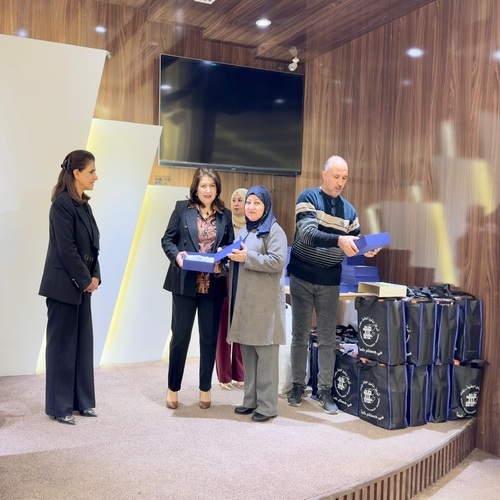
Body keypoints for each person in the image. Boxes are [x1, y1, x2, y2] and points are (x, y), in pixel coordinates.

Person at [286, 155, 380, 414]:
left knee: (328, 338)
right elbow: (307, 234)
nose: (340, 182)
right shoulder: (308, 198)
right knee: (300, 335)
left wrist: (366, 248)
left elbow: (353, 243)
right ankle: (297, 386)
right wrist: (340, 240)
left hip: (329, 280)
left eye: (344, 178)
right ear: (324, 174)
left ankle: (324, 390)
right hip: (302, 277)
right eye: (336, 176)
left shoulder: (350, 211)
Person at [161, 167, 234, 410]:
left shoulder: (225, 215)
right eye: (204, 186)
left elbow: (229, 247)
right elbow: (167, 239)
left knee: (209, 339)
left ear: (217, 189)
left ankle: (205, 388)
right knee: (180, 338)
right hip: (185, 283)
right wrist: (177, 256)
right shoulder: (182, 209)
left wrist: (223, 258)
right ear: (196, 188)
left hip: (213, 284)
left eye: (212, 186)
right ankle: (173, 388)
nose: (208, 190)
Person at [39, 150, 101, 425]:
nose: (95, 177)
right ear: (76, 173)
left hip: (81, 286)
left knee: (82, 346)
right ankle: (59, 406)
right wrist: (85, 280)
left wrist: (95, 275)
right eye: (91, 171)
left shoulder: (84, 206)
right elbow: (66, 249)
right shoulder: (61, 204)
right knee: (62, 349)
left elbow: (93, 246)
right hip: (63, 287)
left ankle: (82, 402)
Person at [227, 185, 288, 422]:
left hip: (265, 306)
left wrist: (247, 257)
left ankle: (267, 406)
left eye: (256, 203)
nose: (251, 207)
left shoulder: (275, 231)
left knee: (266, 358)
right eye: (248, 202)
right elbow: (239, 255)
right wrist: (227, 255)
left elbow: (277, 261)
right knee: (249, 355)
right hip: (246, 302)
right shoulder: (246, 230)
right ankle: (250, 400)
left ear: (266, 206)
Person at [215, 188, 247, 391]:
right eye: (233, 200)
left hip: (245, 281)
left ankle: (240, 373)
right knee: (223, 326)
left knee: (241, 327)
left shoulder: (253, 228)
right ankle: (224, 375)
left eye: (240, 200)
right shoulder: (224, 223)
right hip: (225, 280)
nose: (236, 203)